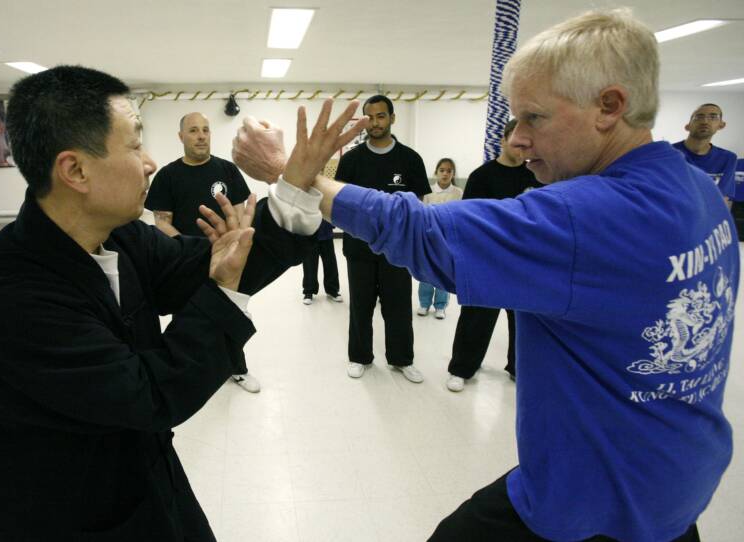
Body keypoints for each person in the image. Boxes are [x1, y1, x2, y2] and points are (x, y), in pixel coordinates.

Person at [232, 8, 736, 541]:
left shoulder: (584, 216)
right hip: (676, 488)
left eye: (533, 119)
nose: (516, 140)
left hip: (592, 508)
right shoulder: (698, 191)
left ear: (609, 107)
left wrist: (291, 171)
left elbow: (421, 231)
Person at [0, 65, 330, 542]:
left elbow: (205, 262)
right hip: (66, 519)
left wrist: (292, 190)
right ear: (75, 170)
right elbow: (149, 394)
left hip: (147, 483)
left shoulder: (120, 236)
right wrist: (224, 292)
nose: (149, 162)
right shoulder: (4, 298)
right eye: (134, 146)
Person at [145, 112, 260, 393]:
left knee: (230, 311)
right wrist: (192, 248)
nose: (201, 136)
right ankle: (191, 373)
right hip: (183, 260)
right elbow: (162, 222)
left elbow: (236, 213)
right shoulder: (168, 176)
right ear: (181, 136)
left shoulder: (227, 171)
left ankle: (237, 368)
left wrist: (230, 245)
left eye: (205, 130)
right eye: (194, 130)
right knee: (187, 317)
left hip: (225, 260)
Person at [335, 94, 430, 382]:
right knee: (361, 305)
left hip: (397, 249)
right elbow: (338, 201)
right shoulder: (351, 160)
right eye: (370, 117)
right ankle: (359, 357)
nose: (375, 122)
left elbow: (419, 204)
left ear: (391, 118)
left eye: (381, 116)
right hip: (359, 247)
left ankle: (402, 359)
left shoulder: (410, 159)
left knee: (399, 305)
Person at [446, 118, 542, 392]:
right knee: (476, 318)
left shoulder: (535, 176)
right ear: (503, 140)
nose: (522, 145)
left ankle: (518, 368)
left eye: (528, 141)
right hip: (487, 260)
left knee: (523, 320)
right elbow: (468, 219)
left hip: (524, 262)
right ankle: (462, 368)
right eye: (517, 139)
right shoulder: (482, 176)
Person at [417, 157, 462, 320]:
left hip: (448, 239)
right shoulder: (427, 191)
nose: (445, 174)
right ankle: (424, 303)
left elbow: (459, 216)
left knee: (443, 272)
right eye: (442, 170)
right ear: (436, 172)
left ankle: (440, 306)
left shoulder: (458, 193)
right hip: (429, 237)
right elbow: (422, 214)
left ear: (453, 173)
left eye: (449, 171)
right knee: (426, 271)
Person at [673, 104, 738, 208]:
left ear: (721, 125)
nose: (705, 121)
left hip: (706, 221)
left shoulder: (728, 158)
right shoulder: (667, 154)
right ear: (687, 126)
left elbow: (723, 199)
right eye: (699, 117)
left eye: (713, 117)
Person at [301, 219, 343, 304]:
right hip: (309, 232)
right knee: (309, 264)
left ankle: (332, 290)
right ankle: (309, 291)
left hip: (326, 230)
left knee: (330, 262)